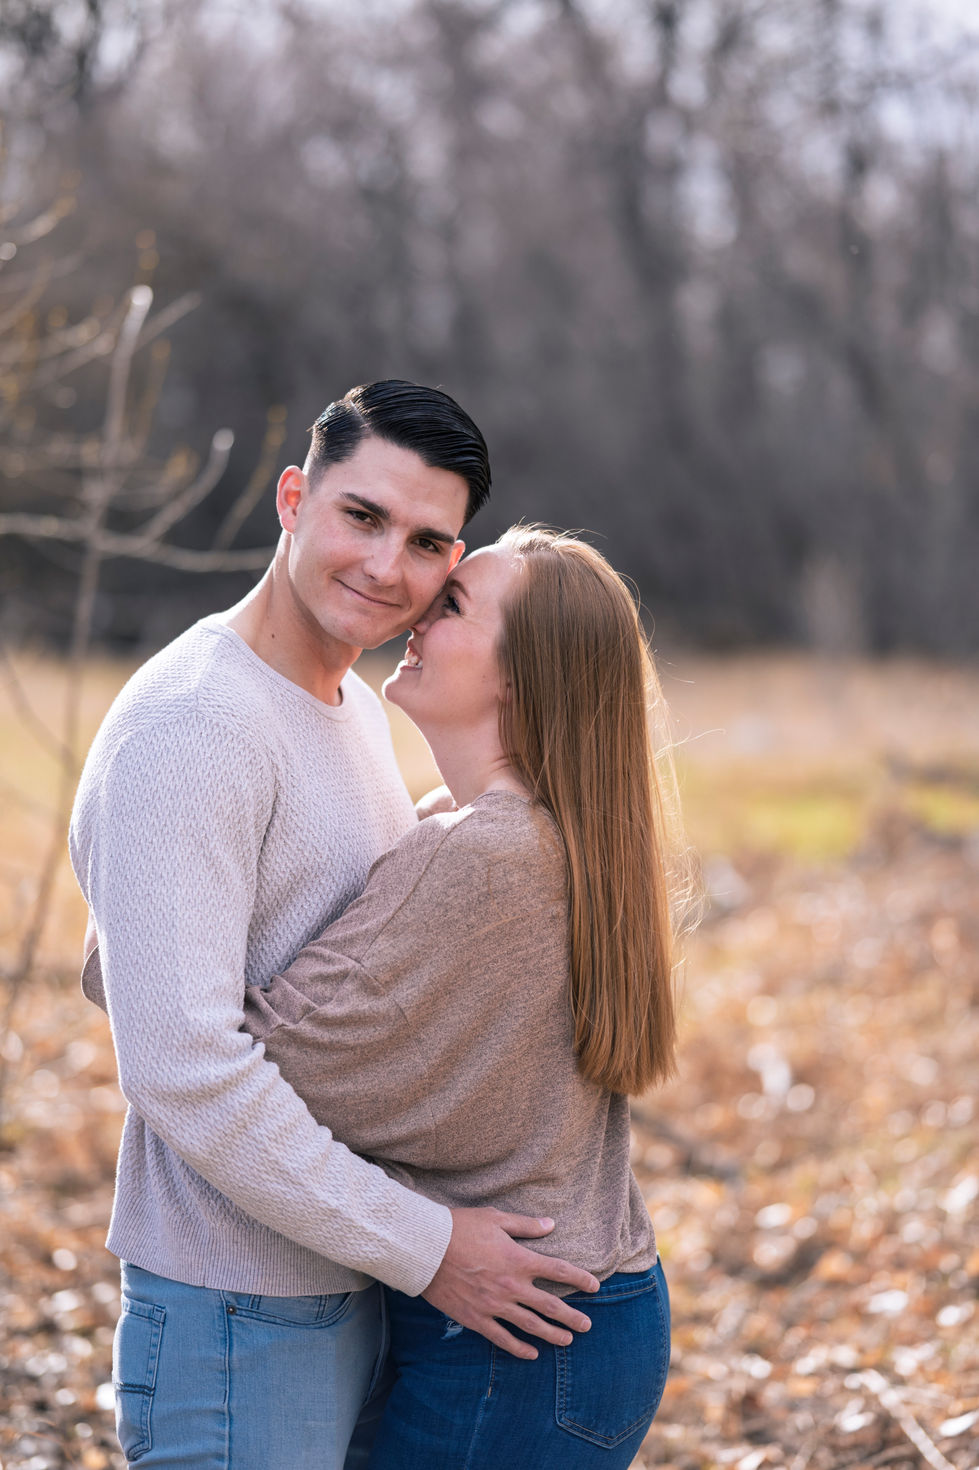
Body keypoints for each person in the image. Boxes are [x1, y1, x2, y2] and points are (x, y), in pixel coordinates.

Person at [69, 384, 597, 1470]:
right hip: (236, 1311)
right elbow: (183, 1068)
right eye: (362, 517)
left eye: (425, 543)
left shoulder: (354, 705)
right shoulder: (193, 722)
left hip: (351, 1284)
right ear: (293, 500)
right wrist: (429, 1246)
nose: (386, 567)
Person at [236, 525, 683, 1467]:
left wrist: (144, 914)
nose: (415, 614)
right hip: (570, 1318)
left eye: (451, 606)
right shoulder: (528, 828)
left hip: (515, 1344)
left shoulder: (483, 854)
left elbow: (252, 1064)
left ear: (518, 675)